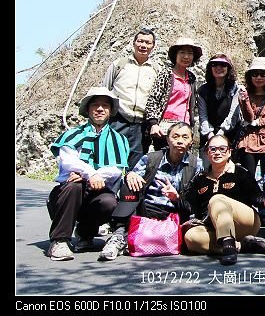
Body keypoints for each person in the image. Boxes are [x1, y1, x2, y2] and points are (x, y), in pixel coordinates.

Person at [46, 87, 129, 261]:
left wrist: (91, 175)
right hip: (66, 195)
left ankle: (85, 234)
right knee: (74, 186)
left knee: (108, 201)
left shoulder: (119, 139)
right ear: (88, 109)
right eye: (95, 105)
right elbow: (68, 161)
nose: (100, 109)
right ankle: (59, 240)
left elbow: (115, 170)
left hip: (96, 192)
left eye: (105, 105)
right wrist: (90, 174)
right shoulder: (72, 134)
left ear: (110, 110)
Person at [98, 122, 202, 261]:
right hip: (148, 208)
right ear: (167, 139)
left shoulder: (197, 164)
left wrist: (176, 197)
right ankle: (119, 236)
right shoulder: (151, 158)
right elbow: (131, 179)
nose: (180, 141)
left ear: (191, 141)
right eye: (175, 136)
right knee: (129, 186)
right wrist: (130, 175)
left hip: (176, 210)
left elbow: (195, 198)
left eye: (185, 137)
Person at [183, 134, 265, 265]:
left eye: (222, 149)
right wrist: (175, 198)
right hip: (213, 227)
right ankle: (242, 246)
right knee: (191, 238)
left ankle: (229, 247)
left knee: (217, 200)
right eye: (213, 149)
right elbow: (190, 206)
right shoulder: (199, 178)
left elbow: (254, 194)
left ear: (229, 152)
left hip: (244, 223)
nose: (217, 152)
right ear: (207, 154)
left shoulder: (240, 172)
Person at [235, 56, 265, 226]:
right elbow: (248, 117)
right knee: (249, 177)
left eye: (263, 74)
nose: (259, 77)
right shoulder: (246, 92)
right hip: (250, 139)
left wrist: (259, 122)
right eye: (255, 74)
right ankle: (254, 211)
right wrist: (245, 100)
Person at [102, 28, 157, 169]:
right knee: (111, 163)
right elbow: (104, 92)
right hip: (117, 121)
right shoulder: (119, 65)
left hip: (141, 126)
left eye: (148, 43)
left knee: (136, 168)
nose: (143, 45)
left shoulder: (156, 69)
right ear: (133, 43)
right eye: (140, 41)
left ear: (153, 46)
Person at [144, 37, 202, 151]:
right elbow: (154, 99)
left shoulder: (191, 78)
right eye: (182, 53)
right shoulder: (166, 74)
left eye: (190, 53)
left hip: (184, 126)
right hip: (165, 126)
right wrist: (153, 123)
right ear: (175, 55)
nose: (186, 56)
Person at [197, 52, 242, 167]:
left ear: (228, 68)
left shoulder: (236, 89)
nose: (218, 68)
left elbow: (233, 115)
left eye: (223, 65)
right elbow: (203, 116)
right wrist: (210, 135)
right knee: (206, 169)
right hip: (208, 135)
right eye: (214, 65)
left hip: (229, 135)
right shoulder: (203, 90)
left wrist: (220, 136)